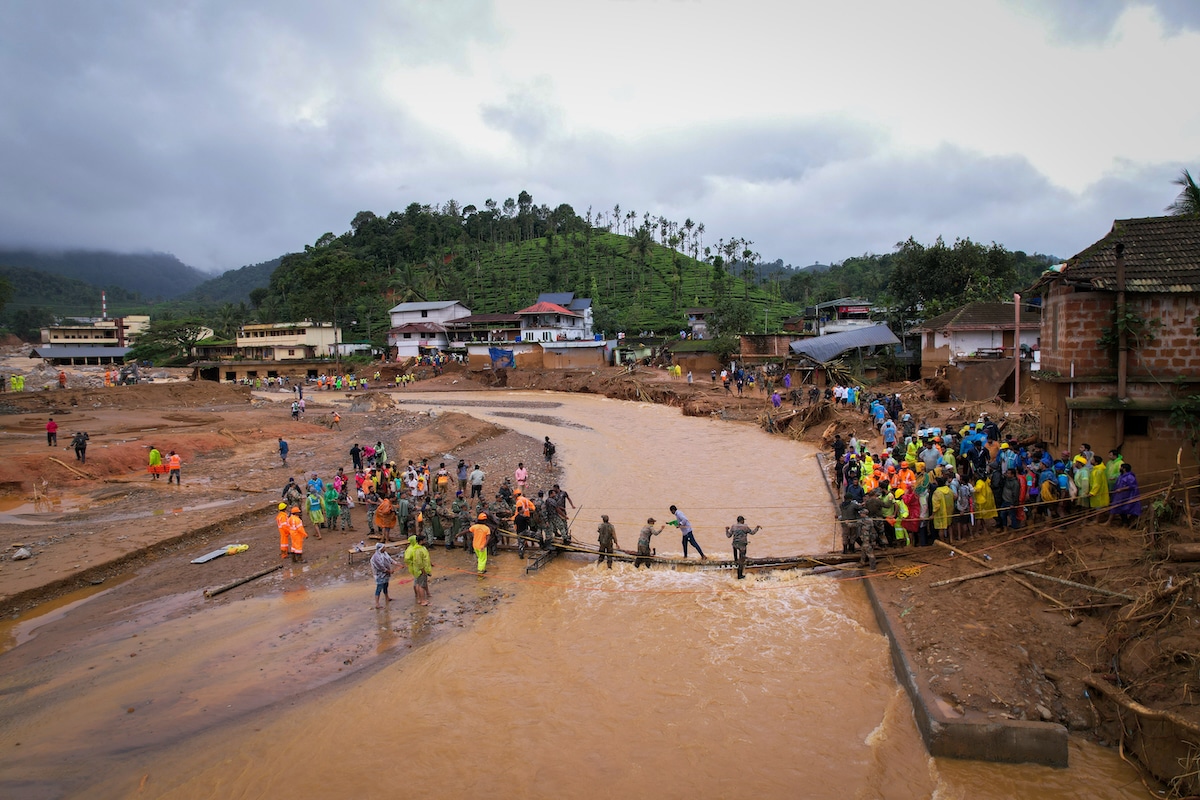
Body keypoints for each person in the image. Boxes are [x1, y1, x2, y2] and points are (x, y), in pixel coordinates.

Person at [404, 534, 432, 606]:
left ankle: (420, 598)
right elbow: (419, 561)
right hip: (420, 570)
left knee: (418, 584)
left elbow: (424, 558)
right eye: (424, 540)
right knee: (421, 585)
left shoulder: (418, 548)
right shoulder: (418, 550)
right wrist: (422, 569)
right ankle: (423, 600)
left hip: (418, 569)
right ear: (421, 541)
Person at [370, 543, 395, 608]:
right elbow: (381, 567)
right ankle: (377, 603)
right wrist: (389, 571)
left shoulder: (385, 553)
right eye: (384, 547)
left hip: (386, 574)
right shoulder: (376, 557)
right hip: (379, 575)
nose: (385, 548)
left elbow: (390, 560)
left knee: (386, 585)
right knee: (379, 588)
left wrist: (397, 564)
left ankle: (387, 597)